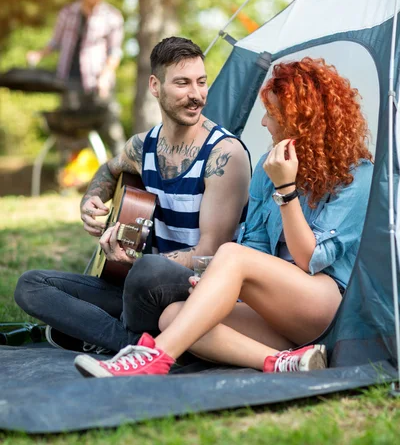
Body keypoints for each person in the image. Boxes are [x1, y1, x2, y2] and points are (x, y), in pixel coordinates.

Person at [72, 57, 374, 378]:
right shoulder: (266, 168)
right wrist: (218, 283)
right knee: (174, 317)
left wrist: (286, 189)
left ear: (301, 121)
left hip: (329, 310)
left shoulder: (357, 177)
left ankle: (152, 358)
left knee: (230, 255)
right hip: (279, 313)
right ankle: (284, 362)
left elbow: (310, 259)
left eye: (271, 115)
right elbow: (255, 246)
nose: (263, 123)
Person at [14, 37, 251, 354]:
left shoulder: (224, 154)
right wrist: (91, 201)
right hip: (140, 289)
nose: (196, 95)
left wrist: (139, 263)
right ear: (155, 86)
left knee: (147, 272)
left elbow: (210, 254)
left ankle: (108, 332)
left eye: (201, 82)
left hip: (196, 291)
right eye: (182, 83)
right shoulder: (142, 146)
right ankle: (133, 343)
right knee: (31, 285)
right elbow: (109, 170)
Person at [26, 0, 126, 156]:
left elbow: (115, 52)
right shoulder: (67, 13)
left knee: (111, 129)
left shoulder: (112, 16)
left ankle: (126, 174)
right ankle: (70, 178)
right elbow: (55, 42)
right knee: (69, 132)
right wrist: (39, 54)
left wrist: (105, 76)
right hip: (69, 81)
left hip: (98, 83)